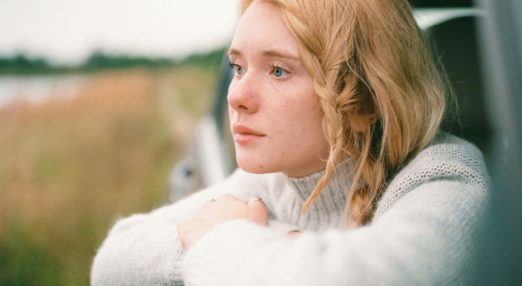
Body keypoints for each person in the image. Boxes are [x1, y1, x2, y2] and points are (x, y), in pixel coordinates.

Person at [91, 0, 488, 285]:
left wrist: (224, 238)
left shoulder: (446, 178)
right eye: (238, 67)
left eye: (278, 70)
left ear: (364, 101)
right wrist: (265, 242)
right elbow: (113, 260)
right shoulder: (274, 182)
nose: (235, 96)